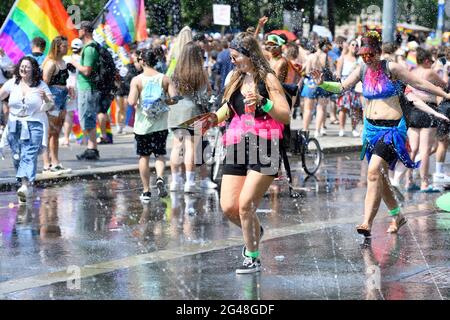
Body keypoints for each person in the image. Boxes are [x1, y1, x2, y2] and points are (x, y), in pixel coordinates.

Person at [311, 31, 450, 237]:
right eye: (363, 55)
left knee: (374, 171)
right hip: (371, 130)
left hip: (392, 130)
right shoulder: (362, 70)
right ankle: (398, 215)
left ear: (378, 52)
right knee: (380, 177)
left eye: (370, 55)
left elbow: (419, 83)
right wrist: (322, 83)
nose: (367, 59)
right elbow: (342, 87)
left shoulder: (391, 68)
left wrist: (445, 93)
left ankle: (367, 221)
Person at [195, 32, 290, 273]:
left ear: (248, 55)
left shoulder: (267, 79)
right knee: (228, 207)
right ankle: (255, 232)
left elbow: (285, 114)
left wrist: (263, 102)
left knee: (245, 205)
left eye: (235, 56)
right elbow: (229, 108)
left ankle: (252, 257)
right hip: (237, 143)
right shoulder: (235, 79)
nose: (232, 60)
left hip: (266, 145)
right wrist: (212, 119)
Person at [392, 48, 448, 192]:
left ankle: (408, 181)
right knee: (424, 150)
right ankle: (424, 183)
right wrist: (444, 70)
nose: (432, 63)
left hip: (413, 111)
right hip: (427, 110)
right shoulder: (429, 72)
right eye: (430, 61)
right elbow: (444, 84)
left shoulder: (412, 72)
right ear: (426, 61)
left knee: (413, 148)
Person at [0, 56, 54, 203]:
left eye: (27, 67)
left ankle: (24, 185)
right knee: (17, 156)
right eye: (22, 66)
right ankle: (27, 185)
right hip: (14, 124)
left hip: (34, 123)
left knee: (29, 155)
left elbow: (51, 105)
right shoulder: (12, 83)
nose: (23, 69)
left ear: (33, 69)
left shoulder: (40, 85)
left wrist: (47, 100)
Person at [128, 48, 177, 202]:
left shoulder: (137, 80)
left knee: (144, 157)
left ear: (142, 61)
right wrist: (164, 101)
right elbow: (175, 98)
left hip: (143, 126)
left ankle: (146, 191)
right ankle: (160, 178)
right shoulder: (164, 78)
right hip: (161, 125)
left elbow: (131, 102)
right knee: (160, 155)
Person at [168, 42, 216, 193]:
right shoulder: (200, 73)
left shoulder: (175, 72)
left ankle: (175, 181)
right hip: (193, 112)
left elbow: (173, 95)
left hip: (176, 112)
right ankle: (189, 182)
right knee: (190, 148)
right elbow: (204, 96)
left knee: (176, 147)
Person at [70, 21, 101, 160]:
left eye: (79, 29)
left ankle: (92, 148)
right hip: (86, 88)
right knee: (87, 118)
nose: (78, 32)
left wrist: (74, 62)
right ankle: (91, 147)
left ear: (85, 31)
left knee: (88, 118)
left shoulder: (89, 49)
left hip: (87, 88)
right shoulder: (89, 47)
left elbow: (87, 71)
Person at [41, 36, 71, 174]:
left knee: (56, 131)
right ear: (57, 47)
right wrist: (47, 102)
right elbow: (44, 83)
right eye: (64, 46)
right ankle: (47, 164)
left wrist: (68, 88)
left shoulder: (63, 62)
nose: (67, 47)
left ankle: (56, 162)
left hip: (62, 97)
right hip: (53, 97)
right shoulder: (51, 63)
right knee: (49, 132)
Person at [301, 38, 334, 137]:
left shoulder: (311, 56)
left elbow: (307, 71)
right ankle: (317, 131)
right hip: (322, 82)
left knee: (308, 109)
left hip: (311, 83)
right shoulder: (327, 57)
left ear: (317, 45)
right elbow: (331, 71)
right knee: (321, 108)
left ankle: (305, 130)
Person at [335, 39, 362, 137]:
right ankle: (342, 129)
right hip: (345, 84)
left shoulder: (359, 60)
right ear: (349, 46)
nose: (355, 47)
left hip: (355, 86)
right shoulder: (343, 58)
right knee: (343, 108)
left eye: (356, 45)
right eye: (353, 44)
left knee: (355, 108)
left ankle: (354, 129)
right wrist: (340, 84)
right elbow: (338, 72)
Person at [115, 49, 142, 134]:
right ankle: (118, 126)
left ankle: (122, 126)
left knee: (125, 109)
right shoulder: (127, 66)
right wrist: (117, 83)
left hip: (128, 90)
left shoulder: (137, 68)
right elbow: (118, 76)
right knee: (119, 109)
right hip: (120, 90)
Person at [62, 38, 83, 146]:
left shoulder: (65, 58)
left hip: (68, 86)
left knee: (69, 114)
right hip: (80, 87)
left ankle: (66, 138)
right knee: (81, 112)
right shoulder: (83, 59)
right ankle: (83, 137)